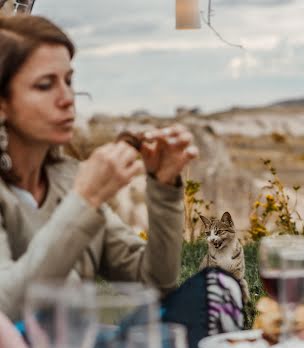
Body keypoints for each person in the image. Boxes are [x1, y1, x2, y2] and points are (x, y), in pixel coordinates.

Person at [0, 15, 198, 321]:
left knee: (212, 291)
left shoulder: (68, 179)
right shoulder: (79, 190)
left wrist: (163, 185)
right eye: (45, 85)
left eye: (68, 80)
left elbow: (154, 283)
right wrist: (85, 201)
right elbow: (6, 308)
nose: (67, 99)